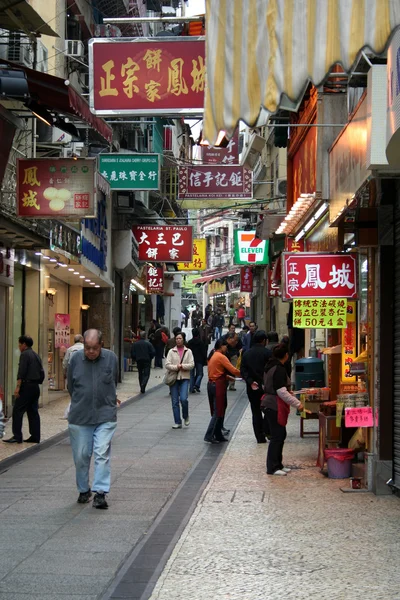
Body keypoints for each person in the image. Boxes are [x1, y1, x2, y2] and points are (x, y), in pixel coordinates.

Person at [67, 329, 119, 509]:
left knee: (102, 452)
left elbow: (113, 380)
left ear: (101, 346)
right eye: (87, 348)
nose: (90, 351)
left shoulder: (111, 358)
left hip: (105, 414)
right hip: (80, 415)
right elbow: (70, 386)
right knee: (81, 455)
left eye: (94, 348)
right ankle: (83, 489)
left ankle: (100, 492)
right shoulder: (75, 359)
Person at [262, 344, 303, 476]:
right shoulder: (278, 368)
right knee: (277, 436)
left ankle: (278, 464)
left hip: (270, 402)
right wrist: (298, 404)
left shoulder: (270, 366)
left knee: (280, 434)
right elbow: (281, 391)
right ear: (286, 356)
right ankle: (272, 467)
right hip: (273, 404)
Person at [3, 335, 43, 444]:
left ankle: (17, 436)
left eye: (19, 344)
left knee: (17, 410)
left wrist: (17, 387)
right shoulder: (36, 355)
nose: (19, 346)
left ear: (24, 344)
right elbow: (42, 372)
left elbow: (22, 372)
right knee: (33, 411)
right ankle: (35, 436)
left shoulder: (25, 355)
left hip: (27, 386)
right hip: (35, 387)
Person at [205, 339, 241, 444]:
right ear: (221, 346)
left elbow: (215, 371)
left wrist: (227, 377)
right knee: (218, 410)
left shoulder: (212, 354)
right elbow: (233, 370)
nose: (227, 349)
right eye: (226, 347)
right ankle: (209, 434)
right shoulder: (221, 356)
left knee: (218, 409)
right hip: (218, 385)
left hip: (211, 384)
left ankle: (218, 434)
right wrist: (245, 375)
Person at [240, 330, 273, 443]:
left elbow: (243, 371)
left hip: (252, 387)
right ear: (264, 340)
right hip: (266, 387)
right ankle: (267, 430)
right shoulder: (267, 353)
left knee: (255, 411)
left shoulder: (246, 353)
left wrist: (250, 381)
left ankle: (259, 437)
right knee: (268, 410)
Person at [165, 333, 194, 429]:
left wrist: (182, 366)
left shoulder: (188, 351)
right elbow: (167, 364)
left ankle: (185, 416)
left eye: (180, 338)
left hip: (184, 377)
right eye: (176, 338)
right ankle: (177, 421)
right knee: (174, 401)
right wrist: (176, 367)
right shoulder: (171, 351)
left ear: (183, 340)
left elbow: (191, 364)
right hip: (174, 378)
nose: (178, 340)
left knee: (183, 399)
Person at [188, 328, 207, 393]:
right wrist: (205, 360)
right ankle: (196, 384)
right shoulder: (201, 342)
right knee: (200, 374)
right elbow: (204, 352)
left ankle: (191, 388)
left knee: (191, 375)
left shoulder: (190, 342)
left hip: (191, 360)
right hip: (199, 360)